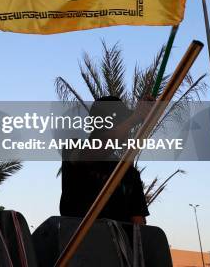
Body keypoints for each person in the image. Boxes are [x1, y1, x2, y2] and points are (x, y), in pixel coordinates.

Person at [59, 96, 151, 224]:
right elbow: (91, 154)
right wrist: (133, 120)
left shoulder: (129, 172)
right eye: (122, 121)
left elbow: (138, 222)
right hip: (78, 240)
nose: (128, 129)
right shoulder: (73, 146)